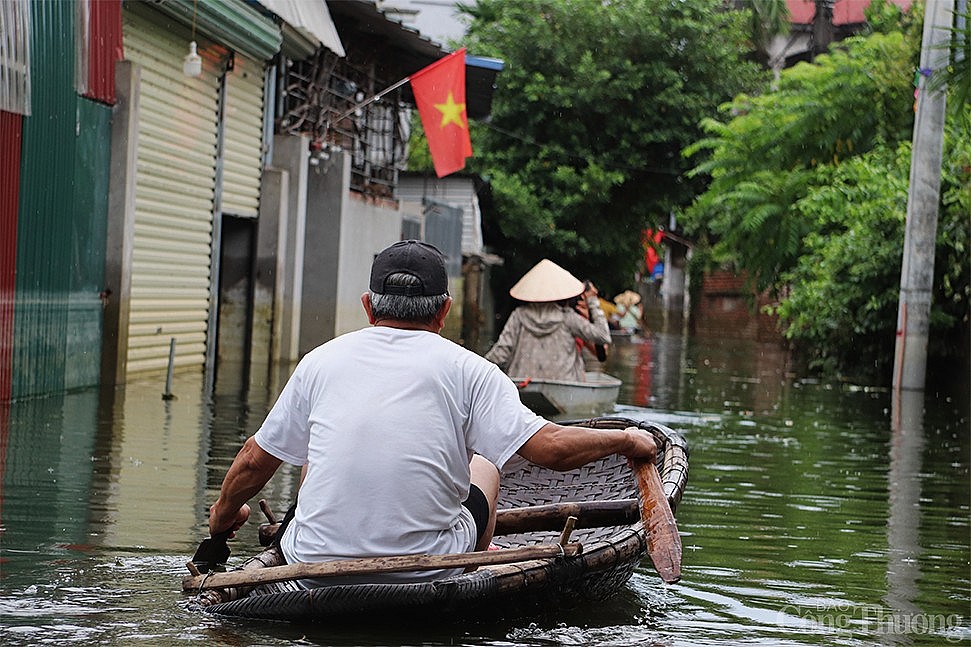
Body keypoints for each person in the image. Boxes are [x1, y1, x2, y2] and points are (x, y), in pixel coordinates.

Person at [207, 240, 656, 586]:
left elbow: (254, 460)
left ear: (368, 307)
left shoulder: (319, 362)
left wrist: (223, 517)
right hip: (427, 570)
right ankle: (475, 556)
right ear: (444, 310)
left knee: (311, 454)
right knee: (486, 461)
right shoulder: (471, 370)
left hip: (313, 562)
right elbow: (551, 449)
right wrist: (626, 439)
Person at [484, 260, 611, 381]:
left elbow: (501, 353)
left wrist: (478, 368)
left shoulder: (519, 316)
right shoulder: (568, 318)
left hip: (522, 383)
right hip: (565, 385)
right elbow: (603, 336)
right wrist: (593, 302)